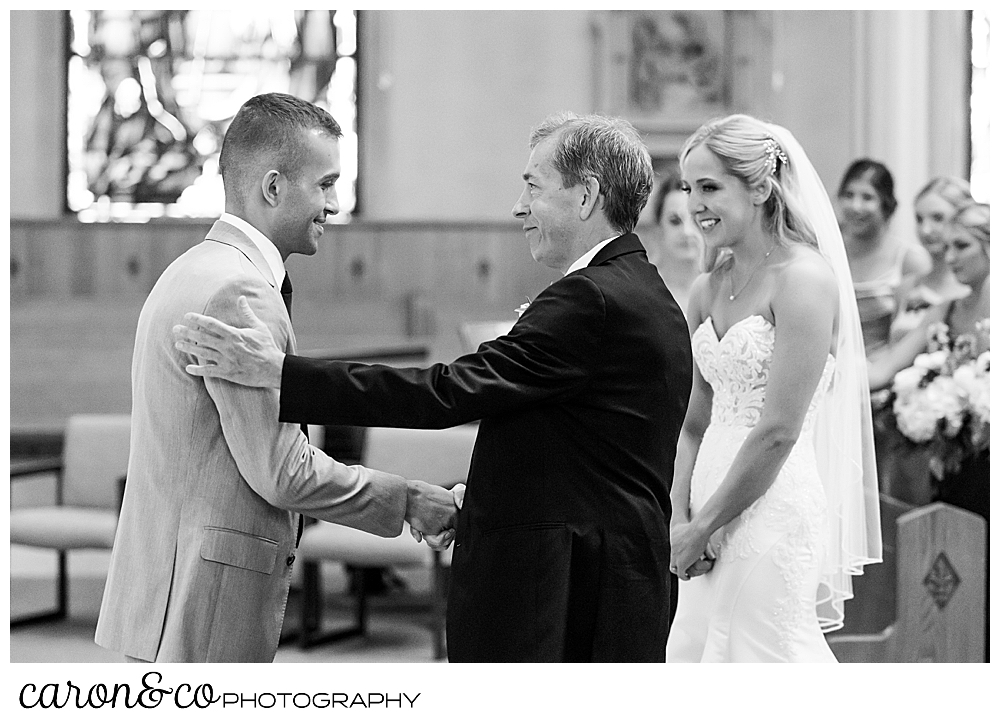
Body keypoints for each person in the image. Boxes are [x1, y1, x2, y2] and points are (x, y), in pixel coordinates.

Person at [173, 112, 694, 662]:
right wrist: (498, 495)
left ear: (586, 195)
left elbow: (446, 391)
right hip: (602, 573)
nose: (519, 206)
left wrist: (278, 373)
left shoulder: (594, 299)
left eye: (533, 187)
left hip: (571, 589)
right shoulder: (632, 286)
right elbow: (585, 448)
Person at [94, 93, 457, 663]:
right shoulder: (239, 292)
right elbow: (281, 471)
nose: (334, 205)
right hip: (204, 598)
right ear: (273, 187)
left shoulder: (190, 269)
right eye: (326, 184)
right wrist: (405, 498)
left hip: (164, 589)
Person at [664, 114, 881, 663]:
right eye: (689, 188)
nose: (695, 204)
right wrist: (678, 518)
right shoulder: (705, 288)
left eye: (710, 187)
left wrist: (707, 524)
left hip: (771, 504)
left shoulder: (804, 280)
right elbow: (691, 422)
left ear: (761, 186)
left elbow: (779, 431)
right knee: (693, 654)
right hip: (699, 506)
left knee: (762, 658)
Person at [868, 202, 990, 516]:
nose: (949, 258)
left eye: (962, 246)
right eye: (947, 247)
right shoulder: (945, 310)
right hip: (955, 466)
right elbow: (884, 369)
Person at [837, 158, 931, 357]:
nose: (856, 206)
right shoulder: (826, 254)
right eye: (849, 195)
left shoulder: (910, 260)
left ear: (886, 204)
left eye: (867, 197)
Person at [890, 176, 974, 341]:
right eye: (919, 219)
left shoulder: (973, 290)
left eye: (937, 218)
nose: (925, 230)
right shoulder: (905, 288)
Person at [645, 166, 703, 314]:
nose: (687, 231)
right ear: (658, 229)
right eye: (675, 221)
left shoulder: (727, 289)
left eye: (696, 220)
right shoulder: (641, 290)